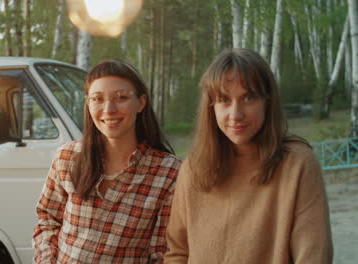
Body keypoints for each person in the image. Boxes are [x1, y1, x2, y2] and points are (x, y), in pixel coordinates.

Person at [164, 49, 333, 263]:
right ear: (211, 107)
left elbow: (313, 256)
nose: (236, 114)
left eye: (249, 98)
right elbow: (177, 252)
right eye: (224, 100)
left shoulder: (298, 164)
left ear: (267, 102)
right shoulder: (193, 169)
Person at [33, 59, 181, 263]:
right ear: (88, 103)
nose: (109, 109)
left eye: (121, 97)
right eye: (98, 99)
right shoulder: (67, 157)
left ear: (141, 102)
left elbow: (161, 253)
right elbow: (47, 220)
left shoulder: (168, 172)